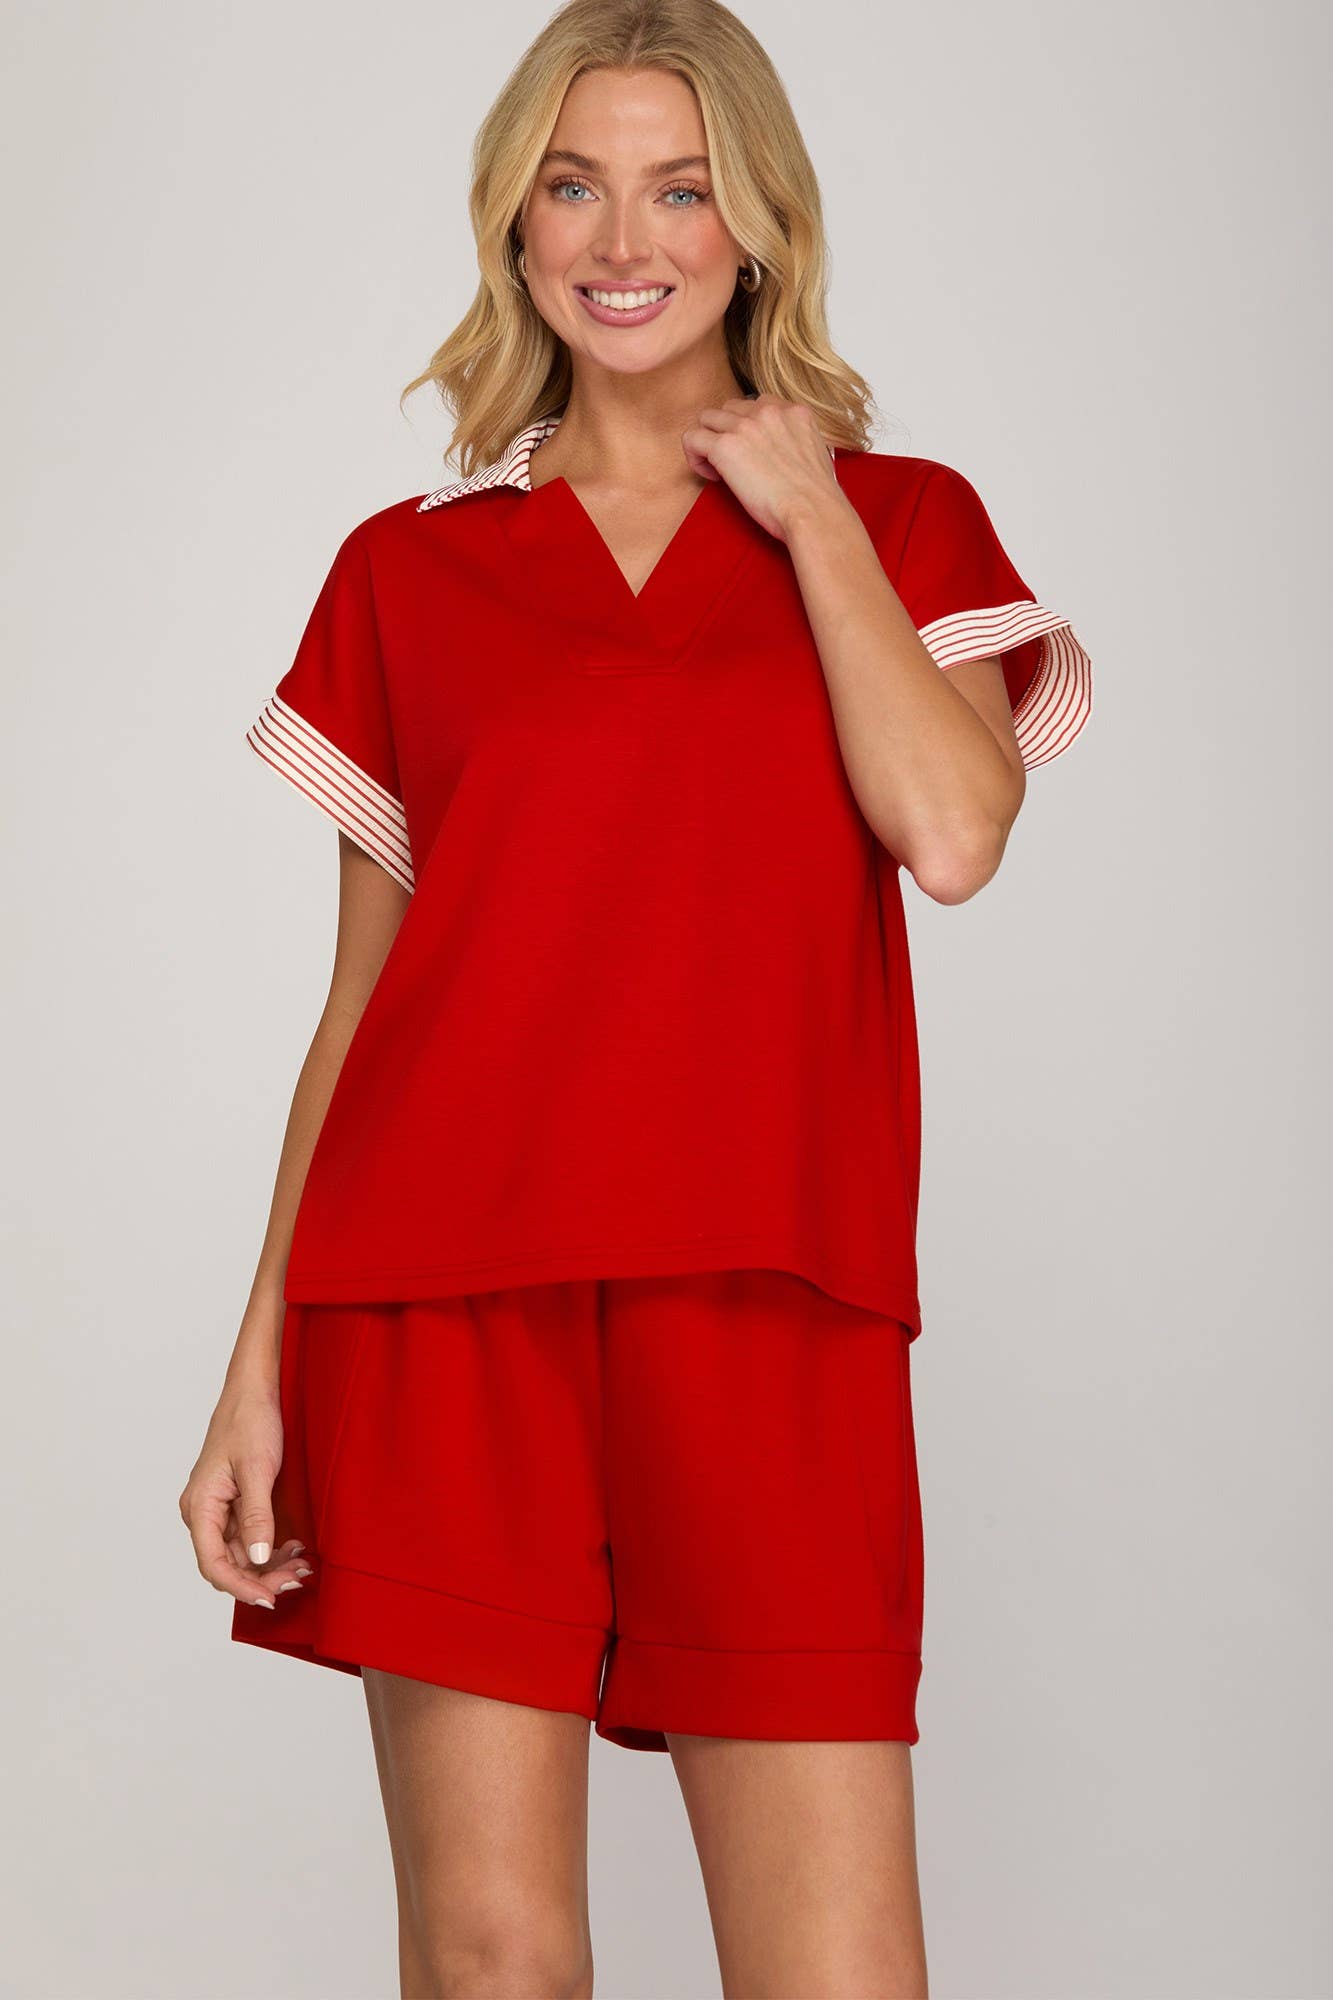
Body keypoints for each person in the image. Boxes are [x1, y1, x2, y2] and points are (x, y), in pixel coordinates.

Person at [179, 2, 1092, 1993]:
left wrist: (808, 506)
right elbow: (363, 1003)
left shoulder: (900, 519)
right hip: (435, 1308)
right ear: (513, 223)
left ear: (757, 226)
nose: (622, 238)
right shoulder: (411, 572)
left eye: (680, 190)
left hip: (769, 1295)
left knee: (831, 1969)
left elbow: (951, 832)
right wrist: (257, 1360)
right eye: (573, 186)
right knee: (491, 1961)